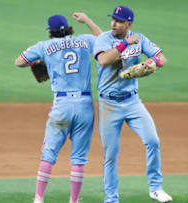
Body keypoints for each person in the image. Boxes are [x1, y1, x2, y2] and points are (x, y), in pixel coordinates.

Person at [15, 13, 102, 203]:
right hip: (84, 106)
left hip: (62, 107)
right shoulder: (84, 41)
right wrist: (87, 21)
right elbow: (103, 40)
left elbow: (19, 61)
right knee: (78, 158)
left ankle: (39, 198)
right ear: (68, 28)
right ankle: (74, 200)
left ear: (51, 31)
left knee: (49, 155)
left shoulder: (44, 46)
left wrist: (39, 61)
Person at [93, 6, 172, 203]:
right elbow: (103, 60)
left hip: (133, 102)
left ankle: (156, 188)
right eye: (113, 19)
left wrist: (151, 63)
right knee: (111, 154)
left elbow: (162, 57)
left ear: (128, 24)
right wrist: (125, 43)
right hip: (108, 104)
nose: (113, 23)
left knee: (153, 141)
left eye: (119, 21)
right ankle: (111, 198)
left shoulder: (140, 38)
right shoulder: (104, 39)